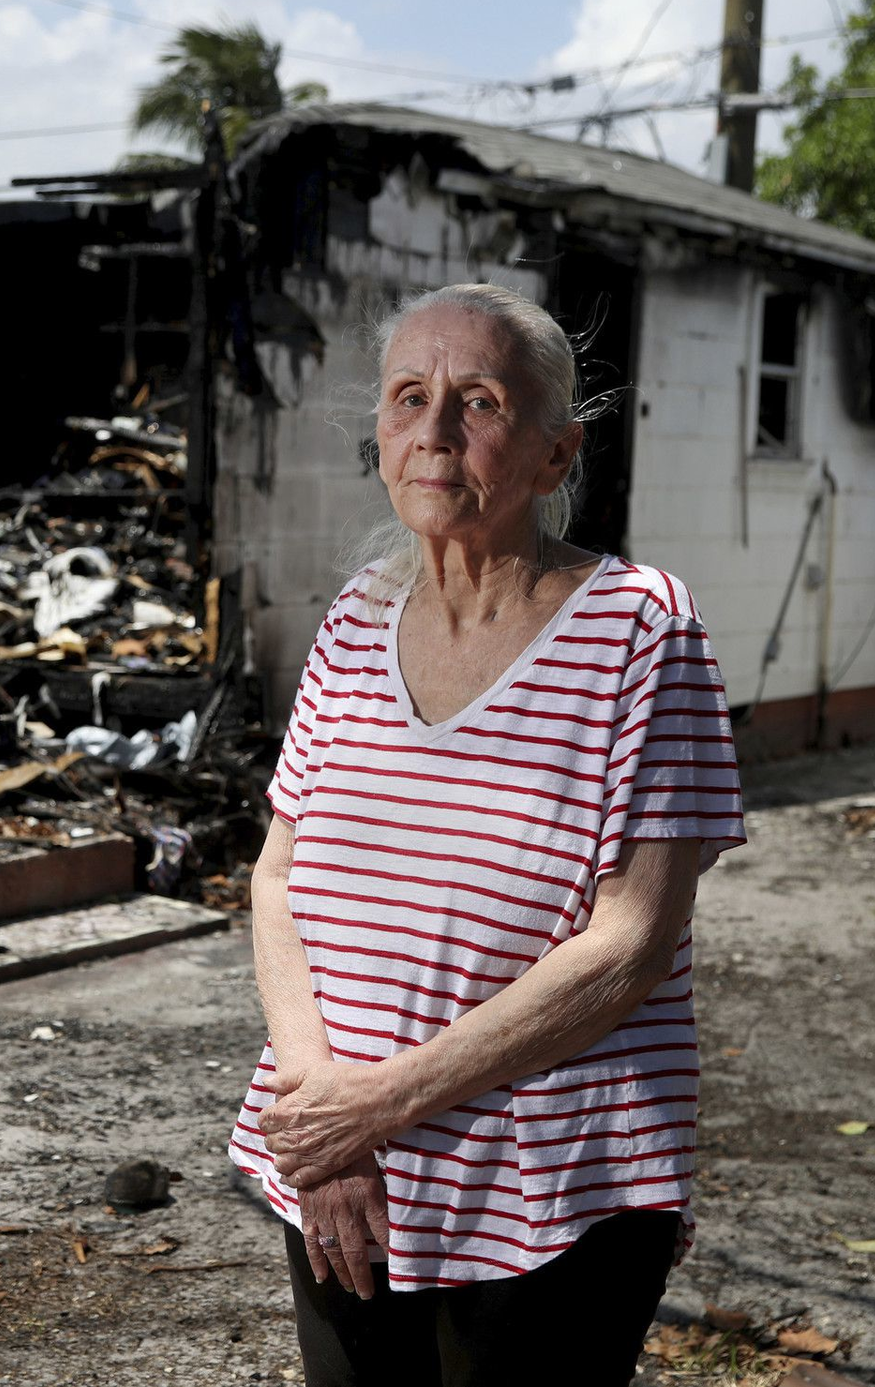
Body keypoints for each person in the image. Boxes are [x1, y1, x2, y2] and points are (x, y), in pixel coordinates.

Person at [226, 282, 746, 1386]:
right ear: (379, 435)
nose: (436, 430)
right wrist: (325, 1114)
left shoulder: (640, 630)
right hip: (338, 1169)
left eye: (480, 401)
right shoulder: (356, 618)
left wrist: (376, 1103)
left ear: (557, 456)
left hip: (548, 1186)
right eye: (410, 396)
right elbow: (277, 881)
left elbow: (632, 943)